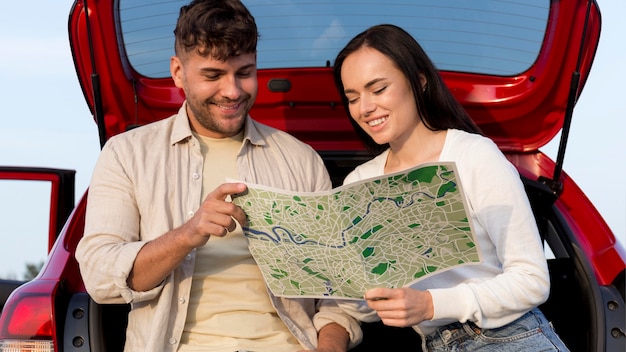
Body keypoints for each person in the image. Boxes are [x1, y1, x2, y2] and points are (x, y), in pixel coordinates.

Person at [75, 1, 359, 351]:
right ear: (178, 72)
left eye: (244, 72)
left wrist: (329, 345)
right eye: (213, 75)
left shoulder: (301, 160)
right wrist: (187, 234)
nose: (233, 91)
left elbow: (340, 288)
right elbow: (100, 275)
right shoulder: (127, 154)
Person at [331, 24, 570, 351]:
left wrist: (431, 305)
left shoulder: (473, 155)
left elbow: (532, 281)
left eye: (378, 88)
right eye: (353, 97)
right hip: (436, 344)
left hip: (510, 337)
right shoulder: (359, 183)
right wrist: (341, 278)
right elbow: (364, 311)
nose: (364, 108)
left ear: (419, 81)